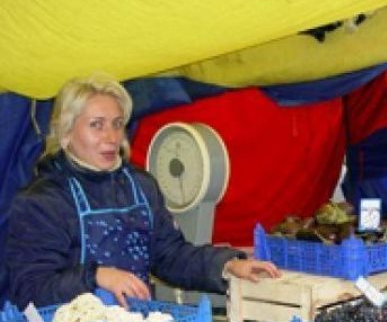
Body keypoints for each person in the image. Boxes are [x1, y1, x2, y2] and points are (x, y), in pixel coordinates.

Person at [4, 73, 280, 308]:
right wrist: (96, 276)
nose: (111, 137)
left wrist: (228, 265)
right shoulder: (42, 201)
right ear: (65, 134)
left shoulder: (140, 185)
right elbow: (30, 288)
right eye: (96, 125)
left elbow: (170, 255)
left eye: (117, 124)